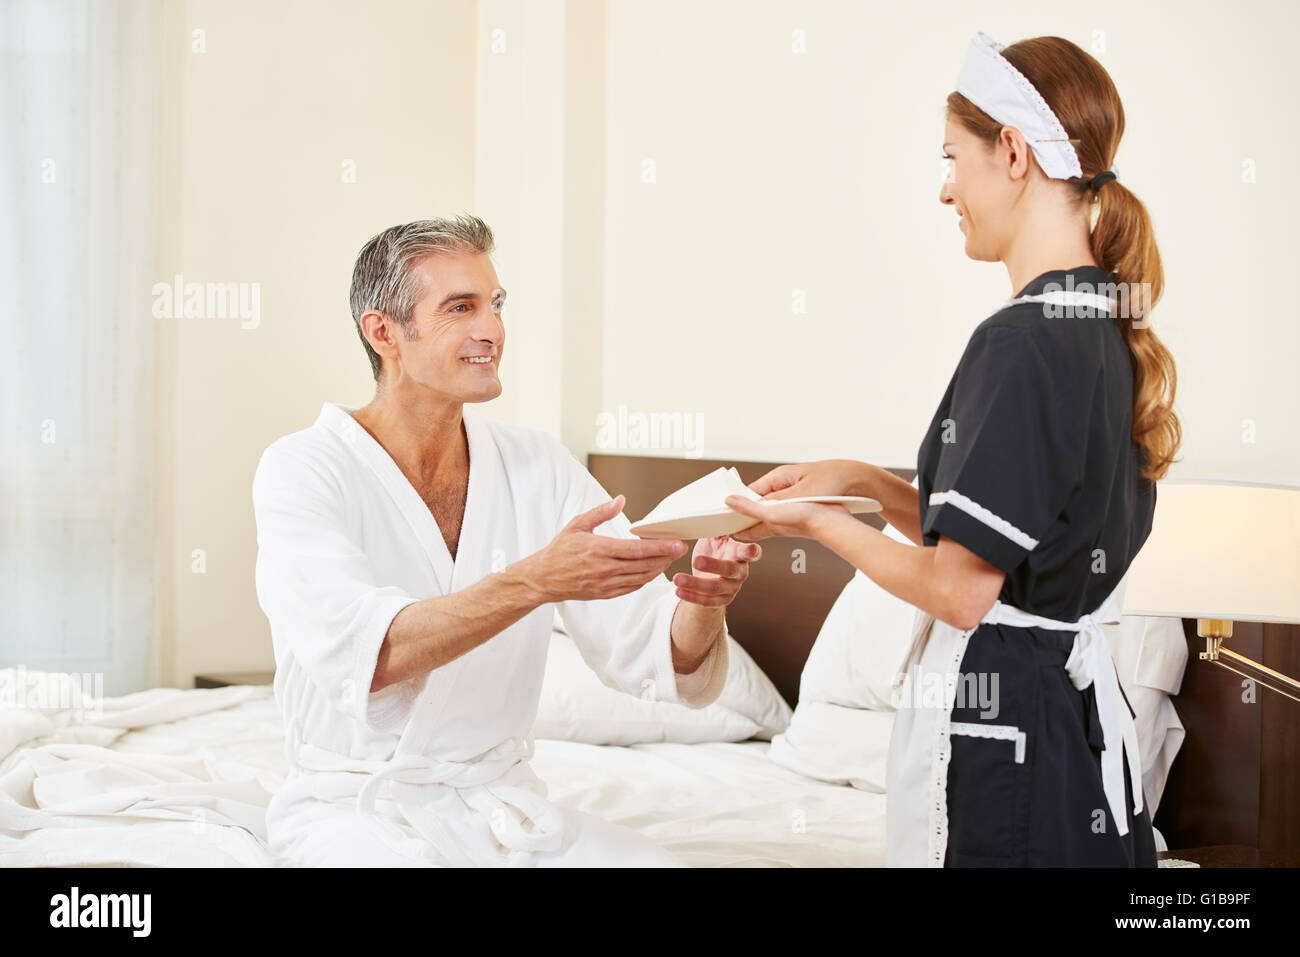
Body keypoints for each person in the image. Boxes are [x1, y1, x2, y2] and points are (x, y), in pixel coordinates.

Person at [723, 32, 1180, 867]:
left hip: (1001, 721)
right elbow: (1013, 539)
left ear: (1011, 152)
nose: (945, 189)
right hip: (1058, 718)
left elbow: (962, 591)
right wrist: (863, 483)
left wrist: (817, 524)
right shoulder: (1103, 326)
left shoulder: (1021, 339)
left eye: (951, 157)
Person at [253, 216, 760, 867]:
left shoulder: (535, 465)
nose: (490, 329)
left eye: (495, 304)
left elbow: (652, 652)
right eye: (459, 307)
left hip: (502, 807)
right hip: (353, 812)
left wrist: (705, 600)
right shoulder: (304, 467)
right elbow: (367, 656)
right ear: (384, 333)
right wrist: (537, 580)